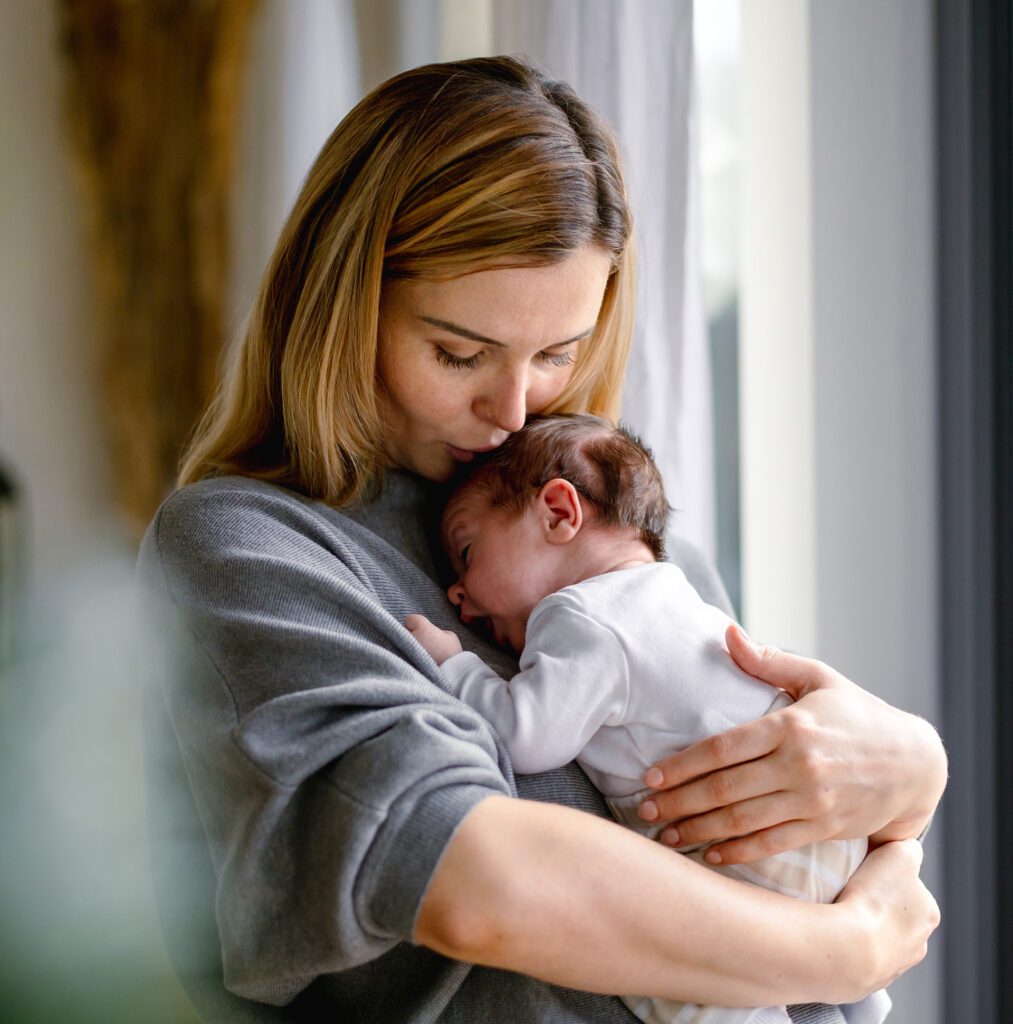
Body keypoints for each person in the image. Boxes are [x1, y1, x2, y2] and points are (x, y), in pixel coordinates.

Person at [137, 56, 944, 1024]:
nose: (511, 409)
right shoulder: (249, 548)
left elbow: (780, 846)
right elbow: (467, 872)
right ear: (343, 301)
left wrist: (904, 776)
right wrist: (842, 949)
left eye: (557, 354)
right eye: (458, 352)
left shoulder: (629, 549)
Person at [404, 413, 891, 1024]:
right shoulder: (676, 593)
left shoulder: (581, 616)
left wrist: (456, 663)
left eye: (467, 553)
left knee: (675, 978)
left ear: (558, 512)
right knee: (829, 973)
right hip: (816, 833)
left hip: (740, 849)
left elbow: (523, 737)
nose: (457, 594)